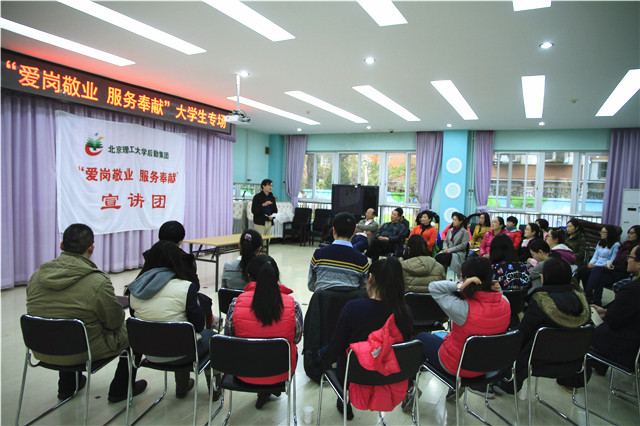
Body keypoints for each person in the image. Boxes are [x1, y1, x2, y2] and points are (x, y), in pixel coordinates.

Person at [26, 223, 147, 403]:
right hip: (83, 351)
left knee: (60, 321)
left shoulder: (36, 276)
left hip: (41, 348)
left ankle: (67, 386)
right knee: (135, 330)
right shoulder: (97, 280)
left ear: (61, 246)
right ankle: (121, 389)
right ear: (91, 248)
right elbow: (114, 322)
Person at [128, 221, 215, 399]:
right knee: (211, 336)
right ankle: (214, 389)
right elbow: (198, 326)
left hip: (148, 351)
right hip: (181, 351)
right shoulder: (185, 288)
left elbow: (135, 318)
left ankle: (182, 385)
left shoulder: (134, 290)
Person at [318, 256, 413, 419]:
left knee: (329, 356)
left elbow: (336, 348)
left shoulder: (353, 308)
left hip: (353, 377)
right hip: (390, 376)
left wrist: (319, 354)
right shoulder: (405, 312)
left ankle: (343, 400)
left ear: (370, 279)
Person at [416, 257, 510, 397]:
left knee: (421, 338)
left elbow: (433, 287)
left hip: (459, 366)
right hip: (488, 364)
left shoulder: (463, 310)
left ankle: (410, 389)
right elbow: (498, 294)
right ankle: (456, 389)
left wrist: (459, 286)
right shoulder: (505, 303)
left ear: (466, 279)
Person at [495, 257, 591, 395]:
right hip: (573, 361)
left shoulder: (541, 302)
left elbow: (523, 334)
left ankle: (505, 382)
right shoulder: (582, 303)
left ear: (545, 277)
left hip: (538, 361)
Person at [224, 255, 303, 409]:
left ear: (249, 277)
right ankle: (268, 390)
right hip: (280, 373)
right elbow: (297, 338)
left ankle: (264, 391)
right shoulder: (293, 306)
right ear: (277, 276)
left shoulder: (235, 303)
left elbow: (229, 337)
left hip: (243, 372)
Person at [590, 244, 640, 376]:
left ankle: (573, 379)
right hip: (634, 344)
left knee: (585, 330)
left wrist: (606, 315)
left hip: (627, 348)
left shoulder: (631, 289)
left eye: (630, 257)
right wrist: (606, 311)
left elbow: (613, 321)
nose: (627, 260)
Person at [308, 212, 369, 292]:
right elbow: (364, 289)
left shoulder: (318, 254)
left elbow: (311, 286)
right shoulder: (362, 260)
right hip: (350, 300)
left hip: (322, 299)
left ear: (334, 231)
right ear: (354, 232)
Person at [584, 225, 639, 306]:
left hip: (622, 272)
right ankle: (595, 301)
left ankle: (588, 292)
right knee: (587, 271)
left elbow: (627, 267)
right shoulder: (625, 245)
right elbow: (611, 259)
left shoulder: (636, 249)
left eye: (632, 233)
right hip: (613, 269)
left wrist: (615, 267)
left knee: (597, 271)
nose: (629, 235)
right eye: (628, 233)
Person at [577, 225, 621, 296]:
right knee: (582, 271)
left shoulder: (616, 245)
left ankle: (588, 291)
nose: (601, 234)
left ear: (610, 233)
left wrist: (596, 265)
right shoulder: (600, 242)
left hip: (604, 267)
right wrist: (590, 263)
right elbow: (595, 256)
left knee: (594, 271)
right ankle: (585, 292)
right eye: (601, 232)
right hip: (595, 265)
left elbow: (612, 260)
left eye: (604, 232)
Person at [435, 212, 470, 276]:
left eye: (455, 220)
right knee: (438, 257)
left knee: (445, 259)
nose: (453, 221)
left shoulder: (465, 232)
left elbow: (463, 245)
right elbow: (445, 241)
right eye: (453, 219)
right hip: (447, 251)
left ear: (460, 221)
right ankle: (439, 275)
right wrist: (445, 248)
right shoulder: (450, 230)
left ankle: (444, 275)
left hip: (458, 253)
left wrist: (450, 250)